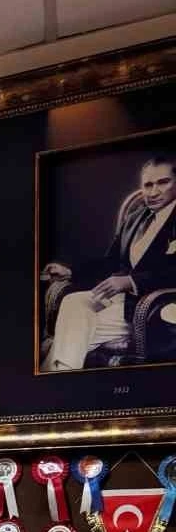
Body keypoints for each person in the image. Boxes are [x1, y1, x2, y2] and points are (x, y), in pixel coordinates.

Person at [41, 152, 176, 372]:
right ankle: (61, 376)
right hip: (123, 301)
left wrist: (131, 281)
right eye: (148, 185)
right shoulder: (135, 218)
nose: (153, 192)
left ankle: (57, 380)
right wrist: (70, 271)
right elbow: (111, 262)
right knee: (73, 302)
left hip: (155, 307)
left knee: (72, 334)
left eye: (163, 182)